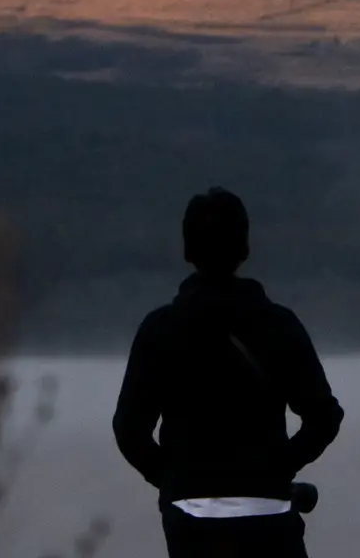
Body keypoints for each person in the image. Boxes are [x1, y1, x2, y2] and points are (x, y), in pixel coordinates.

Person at [113, 188, 347, 557]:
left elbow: (128, 430)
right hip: (269, 514)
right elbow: (324, 417)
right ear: (245, 248)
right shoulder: (279, 325)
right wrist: (277, 467)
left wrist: (176, 480)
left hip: (190, 520)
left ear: (187, 251)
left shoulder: (159, 329)